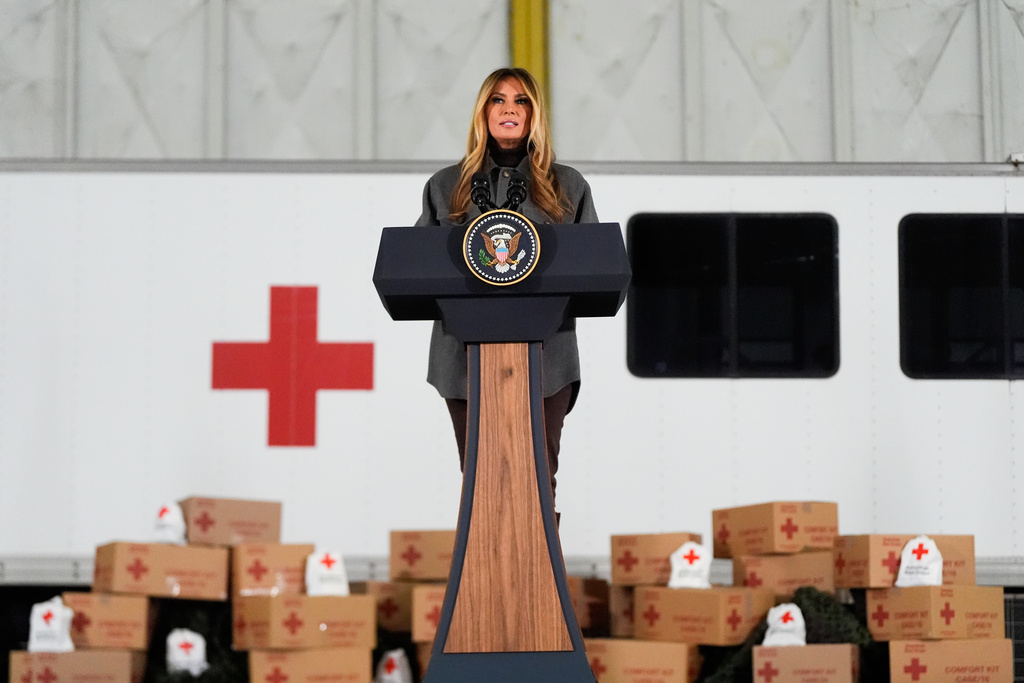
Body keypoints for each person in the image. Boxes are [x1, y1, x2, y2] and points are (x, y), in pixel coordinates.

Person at [415, 67, 598, 504]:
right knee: (480, 485)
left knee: (537, 486)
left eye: (521, 101)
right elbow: (416, 268)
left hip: (546, 361)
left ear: (535, 114)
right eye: (498, 100)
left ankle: (539, 574)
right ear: (483, 112)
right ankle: (482, 573)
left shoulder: (567, 184)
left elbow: (596, 266)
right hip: (463, 360)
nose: (509, 109)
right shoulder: (446, 185)